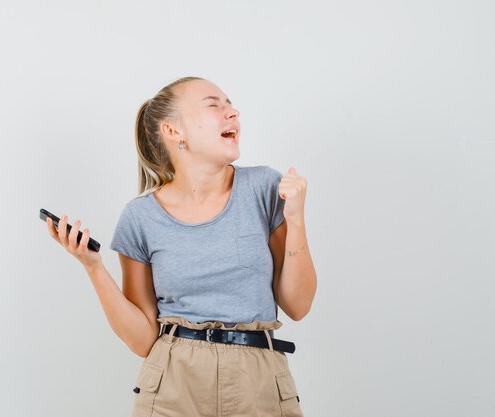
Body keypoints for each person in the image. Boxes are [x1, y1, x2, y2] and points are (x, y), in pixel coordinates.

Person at [45, 76, 317, 416]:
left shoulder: (264, 188)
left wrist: (296, 220)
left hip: (259, 381)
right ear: (173, 131)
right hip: (173, 385)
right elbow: (143, 340)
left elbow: (298, 305)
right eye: (214, 105)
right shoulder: (140, 217)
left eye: (230, 104)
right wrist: (93, 267)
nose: (232, 113)